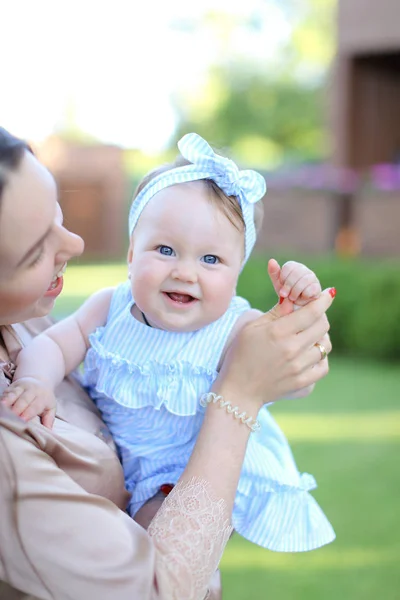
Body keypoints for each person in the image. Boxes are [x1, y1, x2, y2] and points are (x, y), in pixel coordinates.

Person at [3, 132, 336, 557]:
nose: (185, 272)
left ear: (237, 273)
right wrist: (35, 380)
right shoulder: (111, 307)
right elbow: (52, 344)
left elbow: (293, 379)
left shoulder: (235, 328)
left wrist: (298, 312)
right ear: (130, 255)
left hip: (190, 476)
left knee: (152, 551)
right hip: (115, 466)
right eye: (165, 250)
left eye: (210, 259)